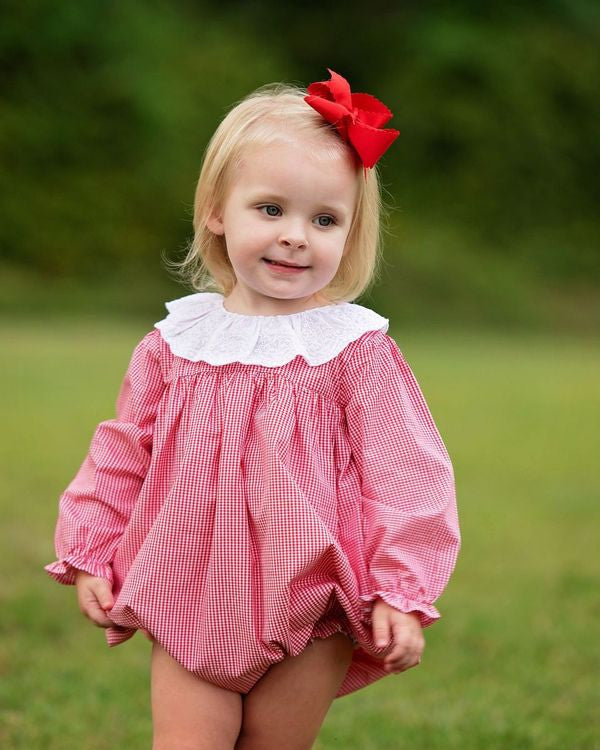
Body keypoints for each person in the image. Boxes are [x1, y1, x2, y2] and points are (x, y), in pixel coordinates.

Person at [44, 68, 461, 750]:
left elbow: (408, 473)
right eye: (271, 209)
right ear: (217, 210)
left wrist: (401, 592)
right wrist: (92, 549)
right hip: (188, 600)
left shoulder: (352, 349)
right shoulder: (175, 344)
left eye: (324, 219)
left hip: (312, 609)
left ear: (351, 232)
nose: (297, 235)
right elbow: (121, 451)